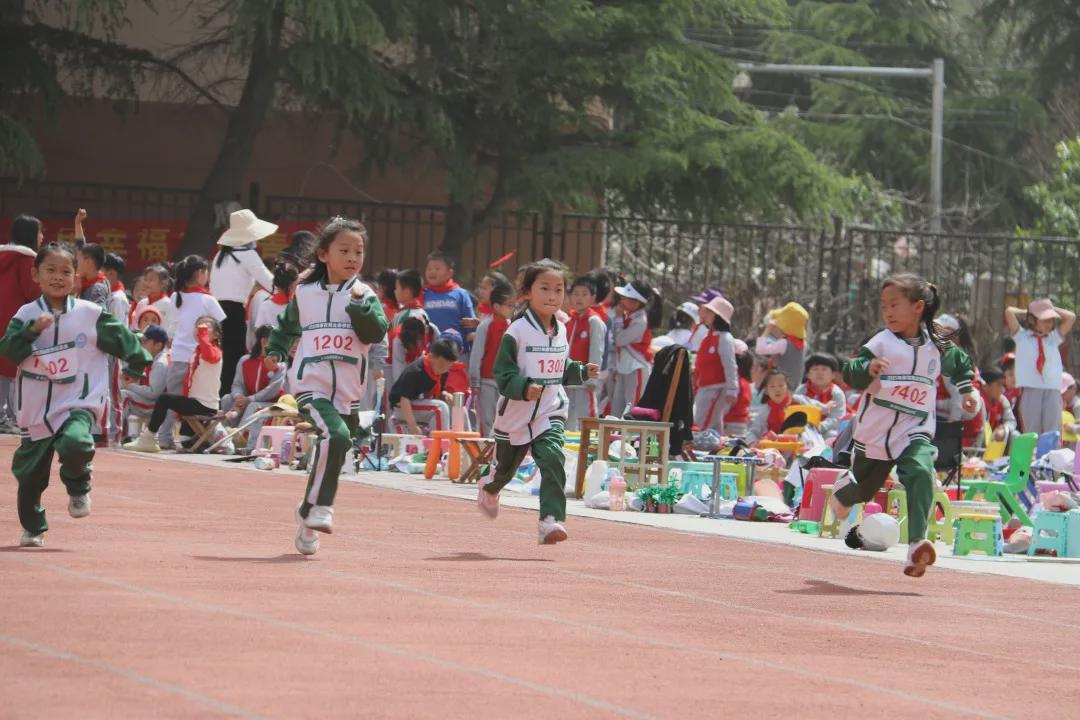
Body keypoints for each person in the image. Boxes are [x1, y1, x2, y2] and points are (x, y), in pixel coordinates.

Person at [1, 242, 151, 547]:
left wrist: (136, 364)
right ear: (35, 274)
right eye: (50, 270)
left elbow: (122, 338)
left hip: (78, 400)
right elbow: (9, 351)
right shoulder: (25, 314)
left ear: (76, 278)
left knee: (76, 441)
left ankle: (78, 483)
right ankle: (33, 526)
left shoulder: (90, 314)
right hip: (35, 406)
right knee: (29, 475)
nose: (58, 277)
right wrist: (30, 332)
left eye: (66, 271)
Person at [833, 274, 976, 578]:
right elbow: (850, 371)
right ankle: (844, 493)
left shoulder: (936, 345)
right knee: (863, 492)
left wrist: (967, 390)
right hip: (875, 431)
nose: (888, 312)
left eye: (895, 305)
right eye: (884, 306)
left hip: (915, 429)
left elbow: (961, 363)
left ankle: (916, 545)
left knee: (921, 473)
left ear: (918, 307)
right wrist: (867, 368)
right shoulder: (881, 342)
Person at [262, 217, 387, 555]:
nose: (352, 258)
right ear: (323, 255)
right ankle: (321, 509)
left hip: (348, 393)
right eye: (344, 250)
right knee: (337, 436)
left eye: (359, 252)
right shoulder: (305, 292)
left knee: (336, 443)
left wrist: (361, 309)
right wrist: (275, 349)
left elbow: (375, 334)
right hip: (310, 384)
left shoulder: (364, 294)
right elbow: (287, 326)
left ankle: (306, 514)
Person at [475, 259, 598, 545]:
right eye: (544, 288)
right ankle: (489, 486)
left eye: (559, 289)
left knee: (553, 457)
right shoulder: (516, 331)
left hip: (549, 411)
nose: (553, 296)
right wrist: (524, 387)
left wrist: (578, 371)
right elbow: (502, 374)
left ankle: (550, 521)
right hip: (516, 414)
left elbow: (559, 366)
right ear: (527, 292)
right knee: (505, 471)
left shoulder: (562, 330)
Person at [156, 255, 226, 449]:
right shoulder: (207, 299)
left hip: (178, 355)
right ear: (199, 274)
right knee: (198, 399)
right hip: (199, 359)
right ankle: (192, 437)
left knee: (173, 399)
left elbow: (171, 327)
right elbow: (220, 324)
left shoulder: (175, 296)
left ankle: (164, 437)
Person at [126, 317, 223, 452]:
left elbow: (210, 355)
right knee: (185, 440)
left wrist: (203, 335)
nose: (201, 329)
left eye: (206, 327)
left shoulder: (214, 350)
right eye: (198, 326)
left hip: (205, 404)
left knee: (164, 399)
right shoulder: (198, 350)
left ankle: (148, 438)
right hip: (195, 401)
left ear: (216, 334)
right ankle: (146, 437)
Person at [209, 209, 277, 395]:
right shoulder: (247, 255)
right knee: (233, 358)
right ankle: (228, 399)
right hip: (233, 311)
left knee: (222, 357)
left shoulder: (220, 256)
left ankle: (219, 397)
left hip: (215, 312)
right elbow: (270, 283)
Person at [1005, 299, 1075, 438]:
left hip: (1053, 389)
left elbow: (1071, 317)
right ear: (1032, 320)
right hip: (1030, 389)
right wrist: (1028, 311)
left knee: (1053, 430)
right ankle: (1033, 459)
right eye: (1044, 320)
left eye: (1051, 320)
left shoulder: (1053, 338)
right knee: (1032, 431)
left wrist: (1050, 308)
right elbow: (1009, 312)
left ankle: (1051, 459)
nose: (1049, 324)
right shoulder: (1021, 336)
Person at [0, 215, 42, 433]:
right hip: (14, 320)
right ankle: (12, 417)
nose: (42, 237)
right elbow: (33, 291)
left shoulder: (3, 256)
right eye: (39, 232)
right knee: (14, 370)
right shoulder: (26, 260)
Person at [221, 325, 285, 455]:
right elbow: (237, 383)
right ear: (264, 342)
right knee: (227, 399)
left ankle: (243, 440)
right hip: (247, 401)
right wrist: (238, 396)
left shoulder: (280, 365)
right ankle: (225, 437)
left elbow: (272, 390)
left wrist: (249, 399)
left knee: (254, 406)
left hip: (272, 404)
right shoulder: (245, 360)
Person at [469, 283, 514, 435]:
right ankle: (485, 451)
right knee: (486, 419)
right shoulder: (485, 326)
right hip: (486, 381)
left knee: (503, 419)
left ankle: (498, 451)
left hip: (504, 382)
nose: (512, 309)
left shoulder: (512, 326)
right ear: (496, 306)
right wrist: (475, 381)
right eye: (509, 305)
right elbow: (477, 355)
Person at [390, 339, 461, 434]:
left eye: (448, 366)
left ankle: (465, 443)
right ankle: (440, 446)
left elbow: (440, 390)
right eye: (441, 365)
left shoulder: (443, 372)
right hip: (401, 407)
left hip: (419, 405)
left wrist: (445, 394)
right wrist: (413, 426)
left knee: (459, 407)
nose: (444, 369)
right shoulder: (415, 371)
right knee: (439, 408)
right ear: (431, 357)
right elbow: (404, 400)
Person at [564, 275, 607, 430]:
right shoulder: (569, 322)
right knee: (567, 418)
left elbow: (597, 351)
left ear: (592, 298)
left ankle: (589, 450)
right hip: (568, 380)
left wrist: (592, 379)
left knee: (586, 418)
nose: (579, 298)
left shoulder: (594, 321)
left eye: (584, 294)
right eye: (575, 294)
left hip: (584, 380)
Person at [610, 280, 658, 416]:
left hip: (636, 367)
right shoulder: (630, 317)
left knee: (632, 408)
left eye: (625, 298)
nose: (622, 300)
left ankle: (632, 437)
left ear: (636, 302)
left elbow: (620, 340)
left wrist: (619, 319)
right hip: (624, 367)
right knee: (617, 407)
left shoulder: (640, 320)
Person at [693, 295, 738, 434]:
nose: (705, 314)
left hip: (717, 389)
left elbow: (730, 365)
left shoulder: (725, 338)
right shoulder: (709, 337)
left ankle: (696, 451)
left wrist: (732, 389)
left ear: (718, 316)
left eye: (710, 312)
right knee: (712, 425)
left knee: (702, 425)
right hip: (704, 388)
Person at [119, 324, 170, 432]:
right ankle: (127, 435)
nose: (142, 343)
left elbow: (153, 393)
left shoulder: (161, 363)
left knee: (123, 395)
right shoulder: (156, 358)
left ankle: (116, 434)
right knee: (122, 391)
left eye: (146, 341)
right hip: (157, 403)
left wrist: (131, 386)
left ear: (158, 345)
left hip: (157, 406)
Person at [422, 250, 478, 343]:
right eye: (429, 269)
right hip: (430, 351)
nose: (432, 272)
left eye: (437, 269)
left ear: (450, 273)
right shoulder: (423, 293)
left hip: (456, 350)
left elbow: (470, 324)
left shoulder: (461, 294)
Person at [755, 301, 809, 389]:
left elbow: (759, 350)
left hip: (780, 387)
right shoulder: (804, 344)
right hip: (794, 387)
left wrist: (767, 330)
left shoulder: (784, 344)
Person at [795, 353, 847, 438]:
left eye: (824, 369)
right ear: (808, 374)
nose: (820, 373)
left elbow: (836, 418)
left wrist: (819, 426)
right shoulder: (801, 390)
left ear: (833, 375)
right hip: (804, 429)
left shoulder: (837, 393)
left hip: (827, 431)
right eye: (815, 369)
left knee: (832, 435)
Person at [746, 370, 803, 445]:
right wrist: (752, 442)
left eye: (781, 385)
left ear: (787, 387)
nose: (777, 390)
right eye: (772, 386)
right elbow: (754, 431)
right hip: (774, 448)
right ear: (766, 390)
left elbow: (820, 410)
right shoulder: (765, 410)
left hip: (799, 447)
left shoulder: (798, 402)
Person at [132, 264, 176, 337]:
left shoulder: (169, 304)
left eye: (151, 280)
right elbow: (136, 327)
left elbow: (173, 329)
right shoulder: (142, 303)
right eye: (145, 279)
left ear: (163, 283)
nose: (146, 283)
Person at [253, 262, 298, 332]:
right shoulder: (300, 304)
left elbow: (259, 331)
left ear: (276, 283)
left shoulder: (265, 305)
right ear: (293, 284)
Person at [723, 341, 753, 438]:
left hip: (729, 426)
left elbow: (726, 407)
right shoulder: (745, 381)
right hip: (741, 425)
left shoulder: (733, 382)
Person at [75, 242, 110, 308]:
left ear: (88, 262)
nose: (76, 264)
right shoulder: (97, 279)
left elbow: (97, 315)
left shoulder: (97, 289)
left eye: (78, 260)